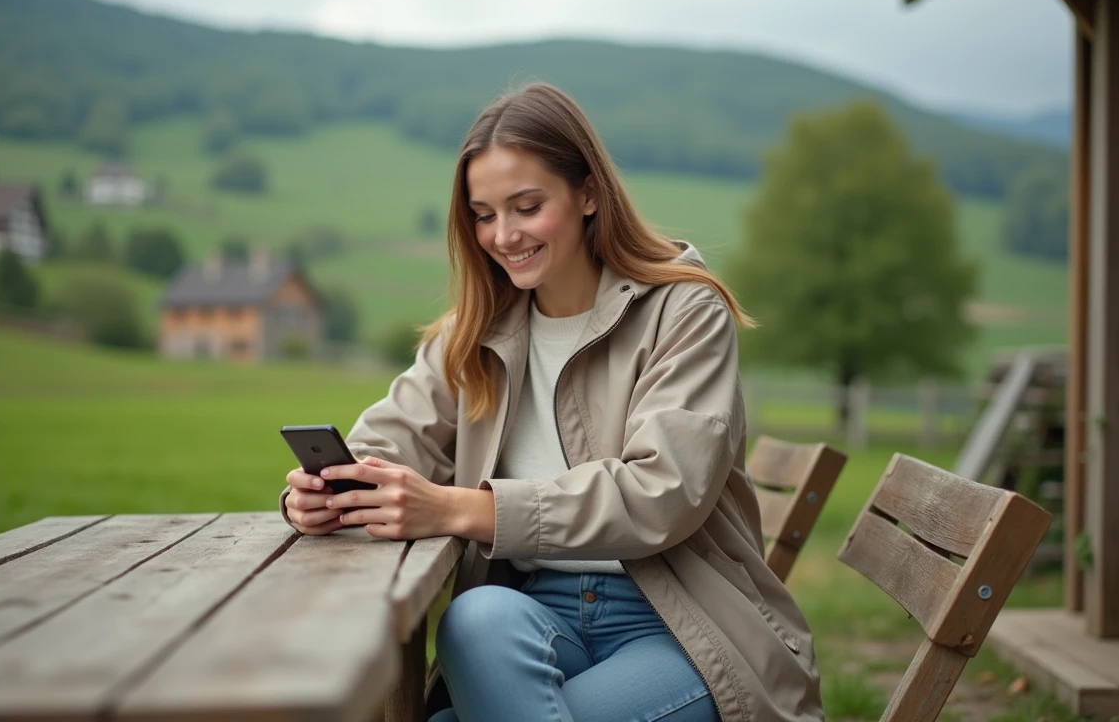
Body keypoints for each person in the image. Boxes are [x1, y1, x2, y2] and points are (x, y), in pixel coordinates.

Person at [280, 83, 823, 721]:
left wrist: (461, 508)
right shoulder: (476, 329)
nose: (503, 235)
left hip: (683, 629)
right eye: (483, 214)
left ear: (589, 193)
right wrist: (326, 490)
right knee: (473, 616)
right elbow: (395, 433)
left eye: (526, 207)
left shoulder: (683, 312)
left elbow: (660, 491)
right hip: (536, 614)